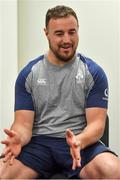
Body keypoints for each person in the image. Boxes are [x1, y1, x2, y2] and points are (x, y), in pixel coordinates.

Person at [0, 5, 120, 179]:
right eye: (59, 33)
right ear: (46, 33)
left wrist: (80, 140)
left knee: (114, 171)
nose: (67, 39)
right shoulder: (29, 74)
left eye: (72, 32)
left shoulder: (93, 73)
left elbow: (97, 125)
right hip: (39, 145)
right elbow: (23, 125)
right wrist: (18, 137)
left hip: (79, 143)